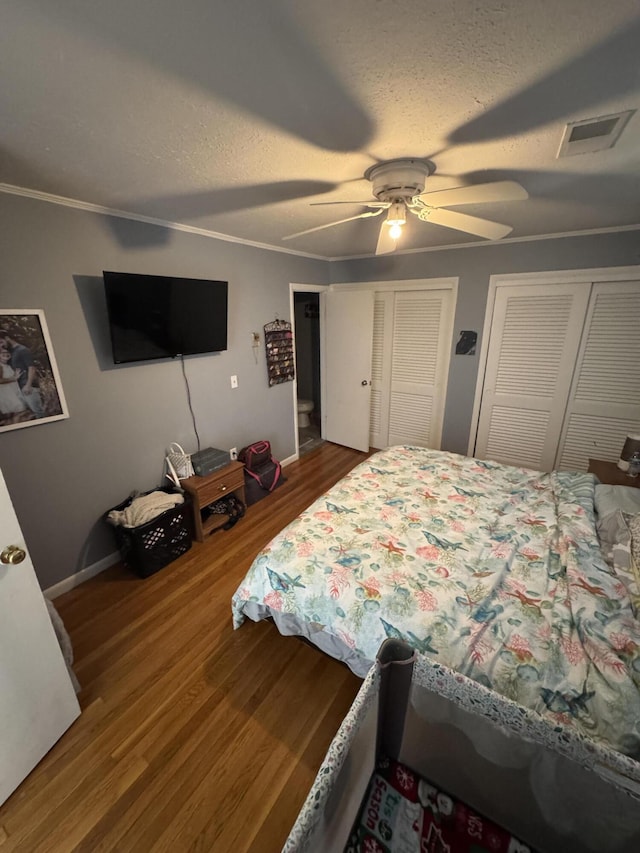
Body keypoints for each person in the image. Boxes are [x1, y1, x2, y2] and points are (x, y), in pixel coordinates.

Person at [0, 329, 45, 417]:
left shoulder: (22, 350)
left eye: (1, 342)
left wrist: (28, 385)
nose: (2, 345)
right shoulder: (11, 352)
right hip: (19, 388)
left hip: (28, 387)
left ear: (7, 338)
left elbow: (32, 368)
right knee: (27, 414)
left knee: (38, 413)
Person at [0, 347, 30, 422]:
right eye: (2, 353)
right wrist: (14, 378)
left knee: (17, 414)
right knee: (20, 410)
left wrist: (15, 377)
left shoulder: (8, 366)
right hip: (6, 395)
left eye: (7, 353)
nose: (6, 354)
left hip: (13, 392)